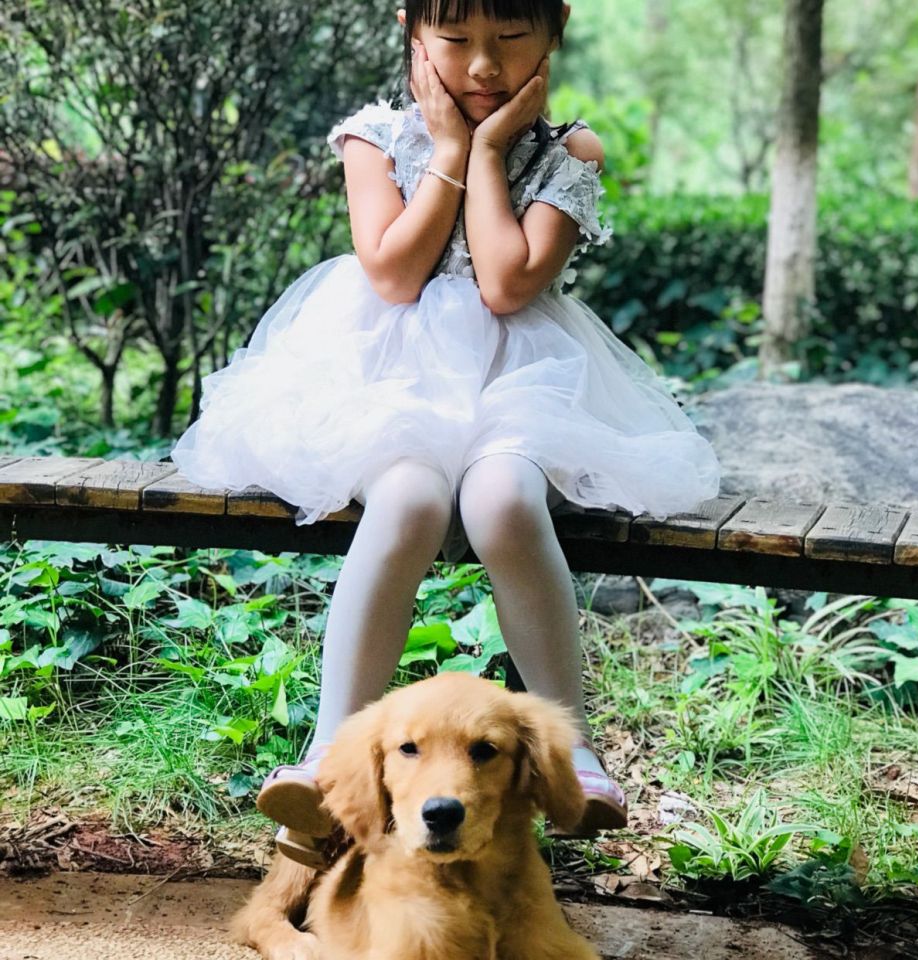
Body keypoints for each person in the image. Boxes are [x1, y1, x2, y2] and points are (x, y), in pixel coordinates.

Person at [170, 0, 721, 866]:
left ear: (555, 29)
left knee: (503, 504)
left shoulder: (570, 150)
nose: (482, 66)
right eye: (456, 41)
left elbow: (505, 284)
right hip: (387, 380)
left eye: (510, 40)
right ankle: (331, 752)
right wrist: (451, 153)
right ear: (411, 32)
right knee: (409, 501)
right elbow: (393, 274)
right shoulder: (376, 139)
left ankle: (569, 749)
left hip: (521, 385)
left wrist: (490, 152)